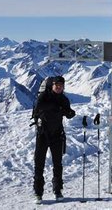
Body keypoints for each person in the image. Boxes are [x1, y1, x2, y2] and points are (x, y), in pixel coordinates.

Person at [32, 76, 75, 204]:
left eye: (61, 85)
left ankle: (58, 190)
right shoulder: (44, 97)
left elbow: (66, 112)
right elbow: (40, 107)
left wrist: (70, 113)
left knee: (58, 164)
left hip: (57, 134)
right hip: (43, 134)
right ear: (52, 85)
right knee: (39, 163)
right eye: (57, 85)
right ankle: (38, 192)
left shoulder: (64, 99)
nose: (59, 87)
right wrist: (59, 109)